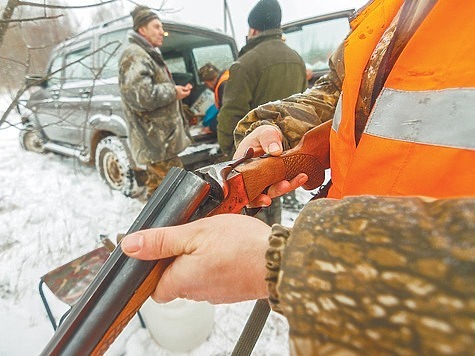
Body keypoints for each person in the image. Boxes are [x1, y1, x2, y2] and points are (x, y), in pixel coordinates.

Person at [122, 0, 475, 354]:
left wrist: (284, 260)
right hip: (338, 312)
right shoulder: (391, 11)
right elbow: (340, 93)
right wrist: (275, 127)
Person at [219, 0, 308, 224]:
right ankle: (272, 240)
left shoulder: (245, 63)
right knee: (273, 197)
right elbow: (303, 105)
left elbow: (230, 114)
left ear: (253, 29)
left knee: (250, 208)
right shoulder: (296, 59)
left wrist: (230, 156)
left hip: (252, 151)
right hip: (284, 149)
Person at [119, 6, 192, 198]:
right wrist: (172, 91)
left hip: (161, 142)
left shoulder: (145, 53)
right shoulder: (134, 54)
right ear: (142, 29)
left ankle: (155, 227)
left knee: (160, 192)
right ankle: (167, 227)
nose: (162, 32)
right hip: (156, 142)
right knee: (174, 194)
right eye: (157, 27)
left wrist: (175, 93)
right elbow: (141, 96)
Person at [197, 63, 230, 133]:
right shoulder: (228, 76)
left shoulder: (223, 86)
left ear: (207, 81)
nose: (207, 86)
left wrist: (211, 128)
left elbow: (227, 113)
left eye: (206, 83)